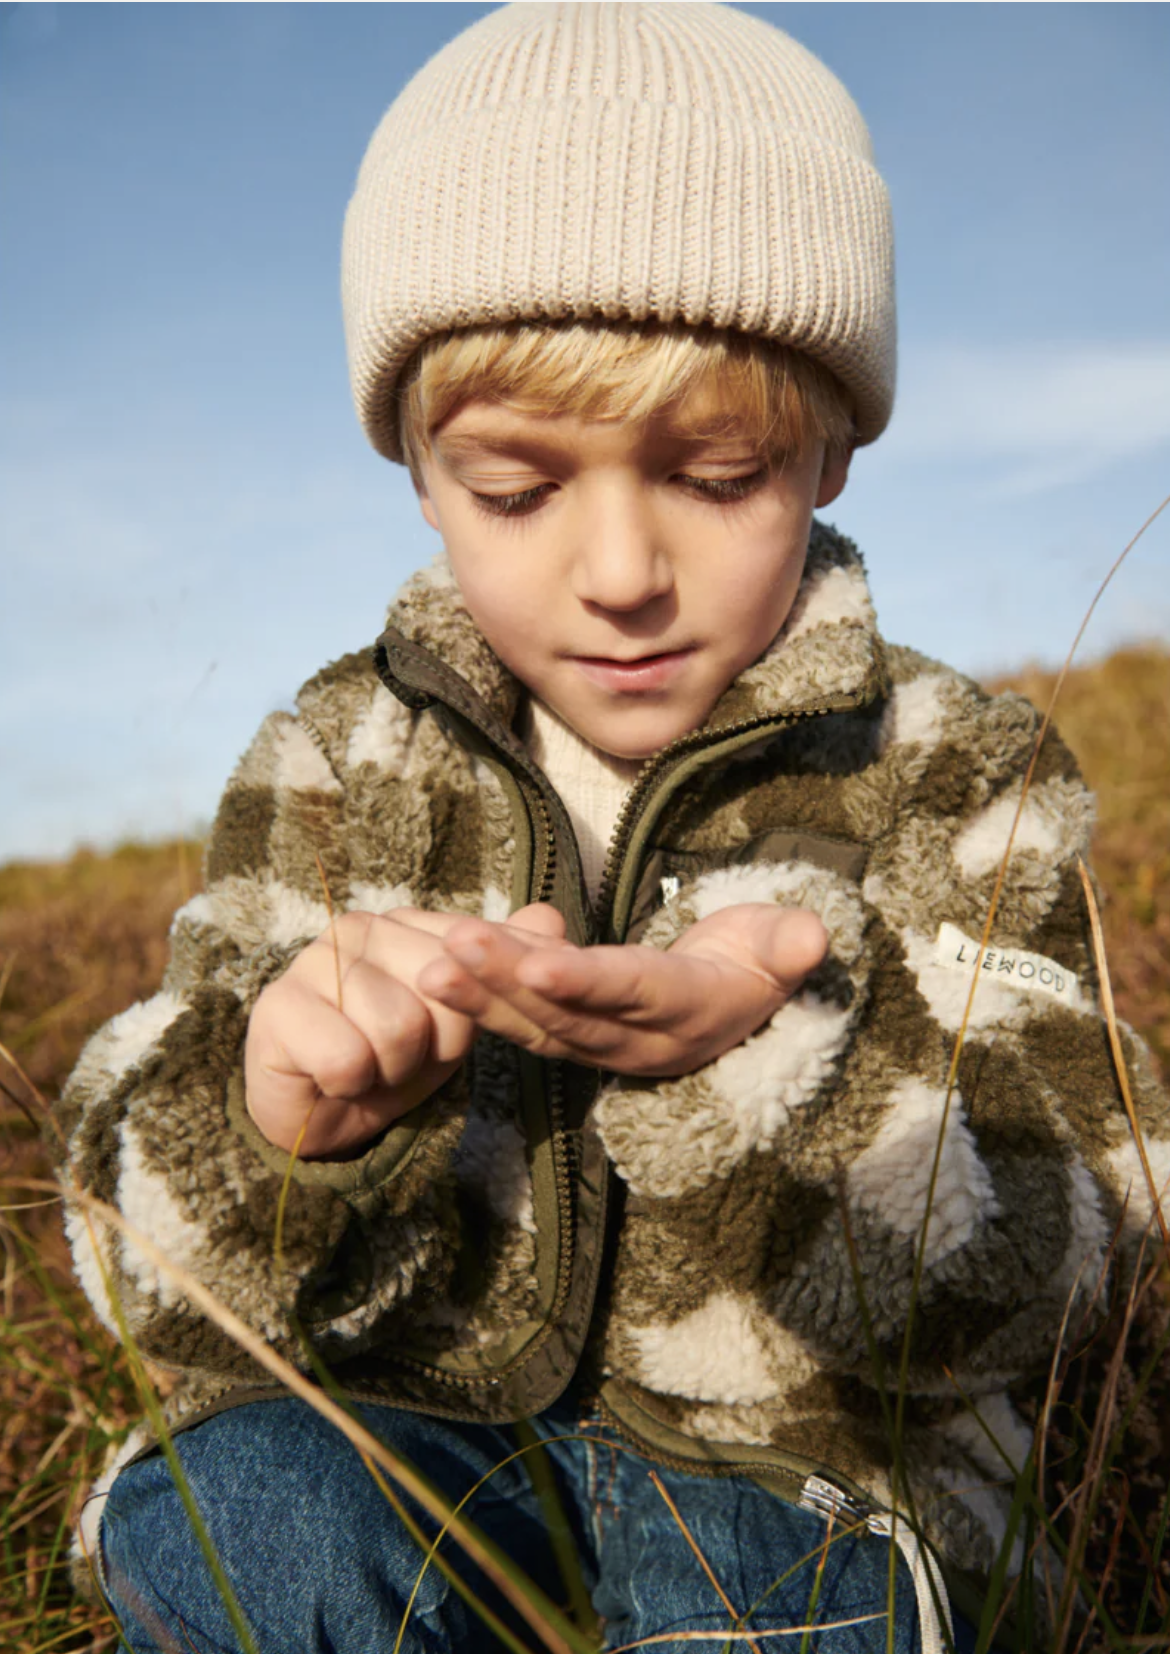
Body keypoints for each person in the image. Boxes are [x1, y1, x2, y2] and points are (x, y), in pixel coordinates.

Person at [58, 5, 1169, 1652]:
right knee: (243, 1511)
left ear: (832, 447)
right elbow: (137, 1255)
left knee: (817, 1598)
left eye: (717, 472)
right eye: (517, 489)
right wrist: (275, 1125)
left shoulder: (951, 760)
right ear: (421, 474)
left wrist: (757, 1063)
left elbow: (1091, 1223)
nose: (621, 570)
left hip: (798, 1476)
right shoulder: (332, 754)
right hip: (414, 1434)